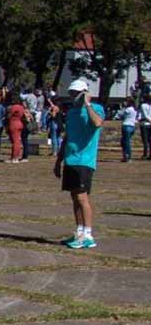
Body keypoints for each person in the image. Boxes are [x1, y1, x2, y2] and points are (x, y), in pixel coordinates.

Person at [54, 78, 103, 249]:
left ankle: (88, 234)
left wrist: (87, 104)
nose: (73, 97)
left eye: (76, 93)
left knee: (82, 197)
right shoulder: (72, 113)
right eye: (72, 94)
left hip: (84, 160)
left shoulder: (96, 109)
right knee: (74, 197)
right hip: (70, 159)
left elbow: (97, 123)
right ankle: (79, 231)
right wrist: (59, 160)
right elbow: (68, 137)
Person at [6, 90, 28, 164]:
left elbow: (9, 116)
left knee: (15, 141)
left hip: (13, 123)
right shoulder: (21, 107)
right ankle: (16, 156)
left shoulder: (13, 107)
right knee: (18, 141)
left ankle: (15, 157)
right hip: (20, 123)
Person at [117, 97, 138, 163]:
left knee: (126, 142)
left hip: (126, 125)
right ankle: (126, 156)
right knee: (126, 141)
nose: (124, 103)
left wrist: (121, 109)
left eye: (125, 101)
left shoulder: (128, 109)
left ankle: (128, 157)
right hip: (132, 126)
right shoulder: (134, 109)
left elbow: (121, 115)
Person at [139, 94, 151, 160]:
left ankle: (145, 154)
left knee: (145, 140)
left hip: (145, 124)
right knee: (149, 140)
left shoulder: (143, 105)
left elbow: (145, 115)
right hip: (148, 124)